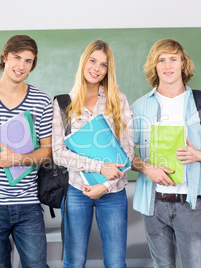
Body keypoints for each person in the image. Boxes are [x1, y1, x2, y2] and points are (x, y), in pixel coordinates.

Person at [130, 38, 201, 267]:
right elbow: (125, 154)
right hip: (153, 203)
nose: (168, 65)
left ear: (183, 64)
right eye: (161, 60)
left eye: (173, 59)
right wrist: (146, 168)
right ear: (155, 66)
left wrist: (198, 155)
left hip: (189, 203)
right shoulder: (140, 106)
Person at [0, 35, 52, 268]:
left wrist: (19, 159)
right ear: (4, 57)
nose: (21, 66)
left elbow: (48, 151)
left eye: (28, 61)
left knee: (37, 265)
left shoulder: (41, 100)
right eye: (17, 57)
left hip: (28, 203)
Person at [52, 40, 134, 268]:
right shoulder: (62, 104)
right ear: (83, 61)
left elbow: (127, 151)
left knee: (116, 263)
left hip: (113, 192)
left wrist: (104, 185)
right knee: (74, 262)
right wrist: (98, 167)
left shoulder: (118, 100)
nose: (96, 68)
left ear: (109, 70)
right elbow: (58, 154)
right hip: (77, 190)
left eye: (103, 65)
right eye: (92, 61)